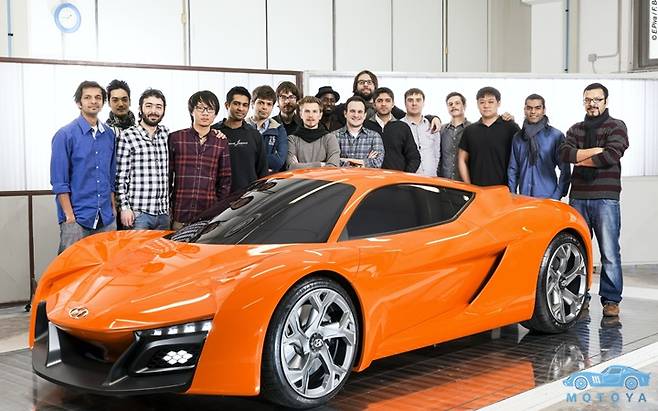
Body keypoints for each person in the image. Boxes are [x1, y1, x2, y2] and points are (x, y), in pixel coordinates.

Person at [560, 82, 629, 317]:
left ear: (606, 102)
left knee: (609, 252)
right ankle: (579, 298)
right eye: (588, 100)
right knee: (576, 251)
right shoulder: (575, 129)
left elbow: (611, 156)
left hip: (606, 198)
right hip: (578, 197)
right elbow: (565, 154)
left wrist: (580, 158)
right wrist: (595, 151)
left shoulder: (617, 126)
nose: (592, 104)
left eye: (597, 99)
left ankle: (611, 300)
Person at [50, 80, 116, 253]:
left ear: (103, 102)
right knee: (71, 267)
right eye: (87, 97)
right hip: (77, 219)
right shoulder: (65, 135)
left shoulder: (109, 135)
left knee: (105, 267)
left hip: (106, 219)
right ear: (79, 103)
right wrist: (69, 217)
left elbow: (111, 176)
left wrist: (113, 210)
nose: (93, 101)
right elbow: (59, 182)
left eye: (98, 97)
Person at [169, 91, 231, 230]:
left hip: (207, 216)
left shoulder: (221, 142)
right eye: (200, 108)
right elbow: (167, 176)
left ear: (215, 114)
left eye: (210, 109)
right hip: (179, 213)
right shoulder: (176, 138)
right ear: (192, 111)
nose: (205, 113)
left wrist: (217, 211)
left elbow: (225, 180)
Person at [115, 89, 170, 230]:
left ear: (164, 110)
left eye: (158, 107)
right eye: (149, 106)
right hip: (138, 214)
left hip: (164, 214)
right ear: (140, 108)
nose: (154, 111)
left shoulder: (167, 135)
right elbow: (120, 178)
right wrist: (124, 208)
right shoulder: (127, 136)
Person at [507, 93, 571, 199]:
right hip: (524, 198)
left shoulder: (555, 136)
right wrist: (512, 195)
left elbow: (565, 169)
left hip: (548, 197)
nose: (533, 112)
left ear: (544, 110)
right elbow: (513, 169)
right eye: (529, 108)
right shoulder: (518, 137)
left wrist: (556, 196)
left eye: (537, 108)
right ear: (524, 110)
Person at [334, 70, 441, 132]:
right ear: (355, 86)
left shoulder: (384, 105)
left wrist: (431, 118)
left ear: (375, 86)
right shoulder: (343, 108)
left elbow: (409, 116)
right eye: (361, 82)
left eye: (369, 82)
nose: (366, 85)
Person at [458, 86, 520, 186]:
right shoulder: (470, 130)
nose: (486, 105)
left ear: (498, 103)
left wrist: (513, 187)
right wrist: (469, 187)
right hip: (476, 189)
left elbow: (520, 158)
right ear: (477, 104)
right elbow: (462, 159)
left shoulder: (511, 127)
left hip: (503, 189)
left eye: (491, 102)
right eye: (482, 102)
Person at [212, 87, 268, 192]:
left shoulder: (254, 135)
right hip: (219, 196)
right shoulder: (213, 132)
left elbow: (262, 171)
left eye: (245, 105)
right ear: (227, 105)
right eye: (236, 104)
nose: (241, 108)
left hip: (248, 196)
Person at [364, 87, 420, 172]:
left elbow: (414, 157)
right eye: (380, 101)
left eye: (387, 100)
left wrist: (405, 176)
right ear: (374, 105)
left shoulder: (402, 127)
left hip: (397, 178)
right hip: (371, 177)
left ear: (393, 104)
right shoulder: (365, 126)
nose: (383, 104)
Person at [287, 96, 340, 169]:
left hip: (323, 177)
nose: (310, 115)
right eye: (307, 111)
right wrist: (321, 164)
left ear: (320, 115)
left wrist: (299, 166)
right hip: (300, 178)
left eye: (314, 111)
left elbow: (332, 167)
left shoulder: (330, 139)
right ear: (301, 114)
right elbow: (291, 167)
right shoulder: (292, 139)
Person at [330, 96, 384, 168]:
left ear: (365, 115)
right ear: (345, 113)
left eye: (360, 112)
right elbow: (331, 163)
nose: (356, 115)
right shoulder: (333, 136)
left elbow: (377, 163)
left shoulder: (375, 137)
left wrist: (344, 160)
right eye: (352, 111)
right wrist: (365, 162)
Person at [246, 85, 288, 173]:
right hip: (246, 178)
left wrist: (252, 159)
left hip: (270, 179)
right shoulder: (241, 126)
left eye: (269, 104)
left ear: (272, 107)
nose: (265, 107)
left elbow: (278, 161)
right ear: (252, 104)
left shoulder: (279, 129)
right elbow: (237, 159)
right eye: (261, 103)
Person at [401, 88, 440, 176]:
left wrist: (434, 171)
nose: (414, 103)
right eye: (410, 100)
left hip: (431, 177)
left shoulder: (433, 125)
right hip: (408, 178)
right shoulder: (399, 126)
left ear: (423, 103)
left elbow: (437, 153)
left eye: (418, 100)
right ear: (405, 103)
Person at [438, 92, 471, 180]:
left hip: (466, 182)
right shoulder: (441, 130)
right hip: (444, 182)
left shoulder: (472, 129)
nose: (453, 106)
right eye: (450, 104)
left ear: (464, 106)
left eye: (457, 103)